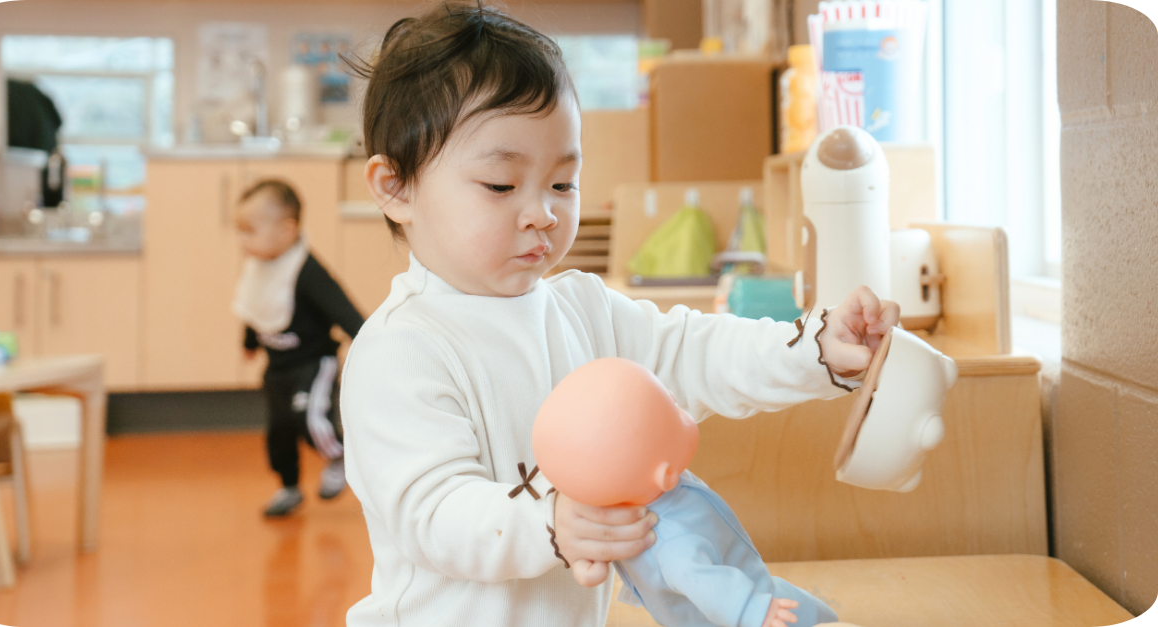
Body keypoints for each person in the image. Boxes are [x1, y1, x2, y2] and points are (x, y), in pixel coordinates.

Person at [339, 3, 899, 626]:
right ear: (395, 189)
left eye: (562, 184)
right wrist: (551, 522)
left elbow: (695, 354)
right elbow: (434, 515)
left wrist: (814, 349)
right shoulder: (400, 350)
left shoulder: (582, 308)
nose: (542, 213)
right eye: (501, 185)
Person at [534, 357, 837, 627]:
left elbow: (593, 568)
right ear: (664, 474)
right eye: (674, 408)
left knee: (816, 611)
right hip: (743, 611)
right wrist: (754, 612)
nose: (679, 404)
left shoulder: (638, 495)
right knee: (818, 618)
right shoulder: (672, 541)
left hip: (747, 588)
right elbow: (705, 584)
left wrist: (587, 566)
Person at [233, 179, 364, 517]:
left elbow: (342, 309)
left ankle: (340, 456)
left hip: (314, 363)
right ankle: (289, 487)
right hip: (277, 367)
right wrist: (249, 341)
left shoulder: (307, 270)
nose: (242, 241)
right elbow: (256, 309)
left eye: (250, 231)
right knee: (279, 430)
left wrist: (365, 342)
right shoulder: (259, 266)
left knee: (309, 419)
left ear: (287, 230)